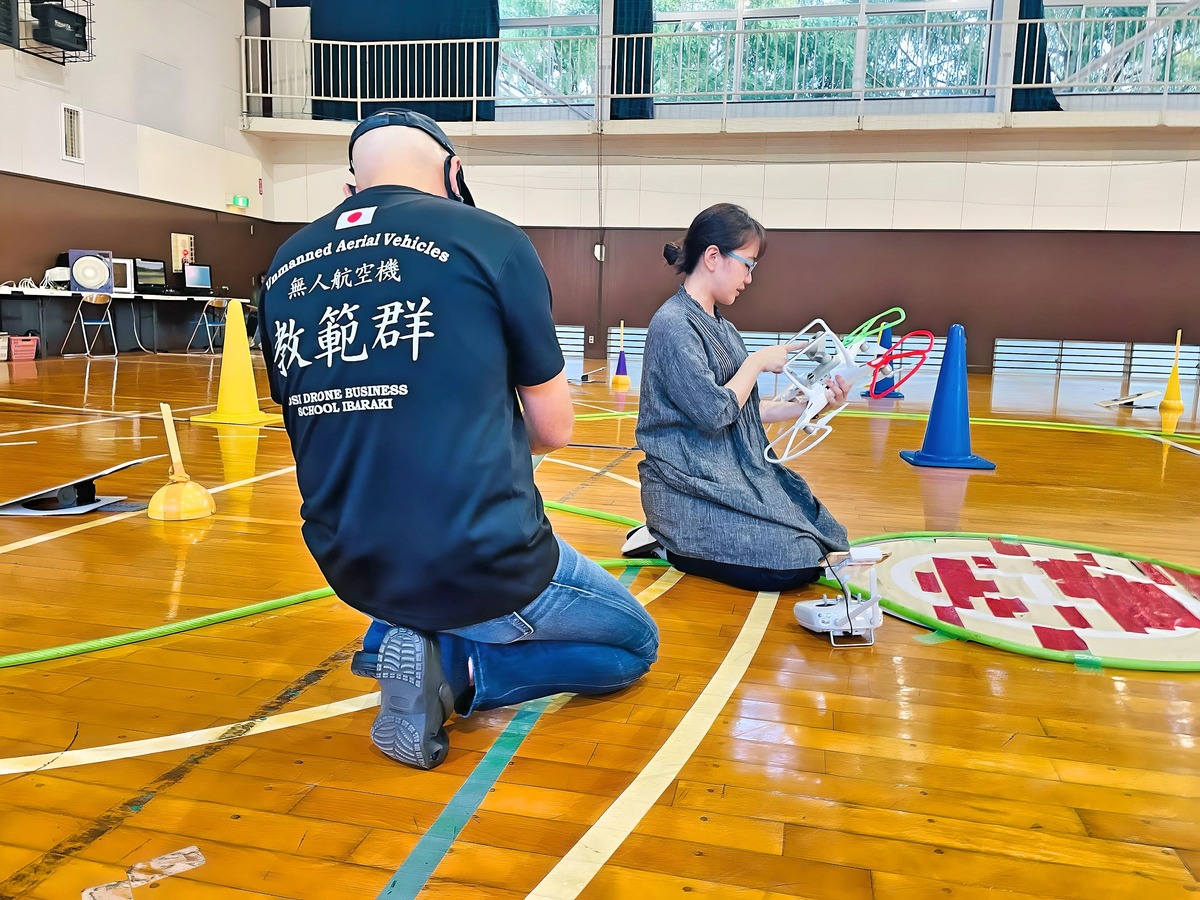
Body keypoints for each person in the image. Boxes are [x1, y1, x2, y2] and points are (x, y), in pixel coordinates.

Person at [259, 108, 659, 770]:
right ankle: (460, 670)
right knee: (633, 644)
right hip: (485, 563)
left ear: (350, 189)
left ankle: (397, 626)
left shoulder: (285, 264)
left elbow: (313, 417)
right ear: (454, 172)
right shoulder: (489, 240)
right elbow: (555, 427)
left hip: (351, 561)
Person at [625, 202, 851, 592]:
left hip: (731, 473)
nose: (749, 277)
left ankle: (678, 537)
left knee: (824, 528)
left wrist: (810, 404)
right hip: (690, 482)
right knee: (794, 559)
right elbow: (715, 411)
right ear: (713, 257)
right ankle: (667, 539)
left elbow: (743, 410)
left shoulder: (724, 329)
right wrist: (759, 362)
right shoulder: (672, 325)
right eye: (748, 264)